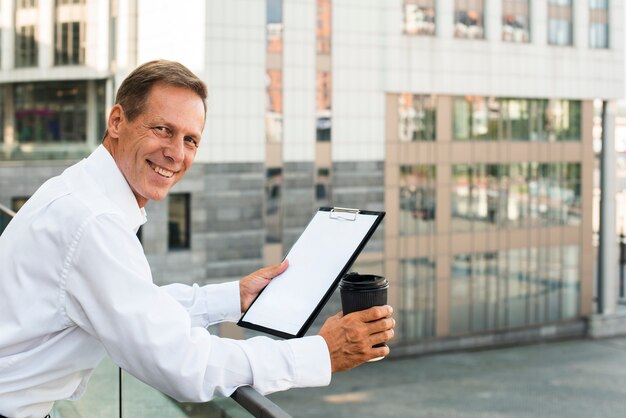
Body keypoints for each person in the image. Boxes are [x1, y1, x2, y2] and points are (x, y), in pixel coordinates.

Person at [0, 60, 395, 418]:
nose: (176, 153)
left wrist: (234, 297)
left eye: (190, 140)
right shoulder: (94, 222)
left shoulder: (80, 191)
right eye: (163, 130)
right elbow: (181, 364)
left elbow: (132, 303)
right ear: (117, 121)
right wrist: (322, 352)